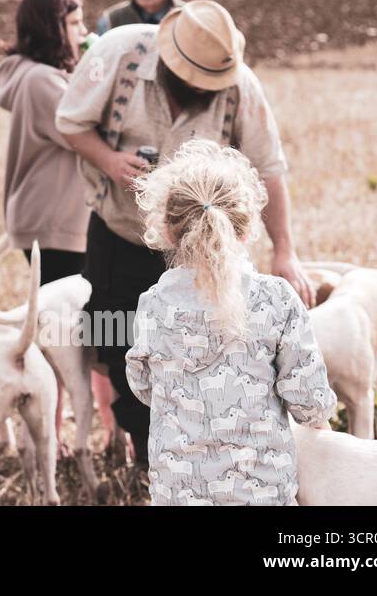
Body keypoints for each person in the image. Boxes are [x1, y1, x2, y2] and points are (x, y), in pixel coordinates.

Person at [56, 0, 313, 475]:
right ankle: (144, 451)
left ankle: (214, 457)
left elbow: (269, 168)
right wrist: (111, 161)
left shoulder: (241, 85)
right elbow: (70, 122)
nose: (205, 91)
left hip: (204, 254)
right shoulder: (116, 52)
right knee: (116, 340)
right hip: (120, 233)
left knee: (214, 350)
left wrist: (285, 250)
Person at [125, 139, 336, 505]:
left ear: (169, 231)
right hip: (262, 491)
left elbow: (143, 384)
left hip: (178, 492)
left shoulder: (154, 304)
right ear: (246, 226)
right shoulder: (276, 299)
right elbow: (310, 402)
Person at [0, 0, 90, 284]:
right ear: (52, 29)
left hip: (51, 216)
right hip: (54, 219)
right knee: (62, 319)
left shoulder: (41, 75)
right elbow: (85, 129)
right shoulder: (41, 80)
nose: (84, 31)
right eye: (74, 23)